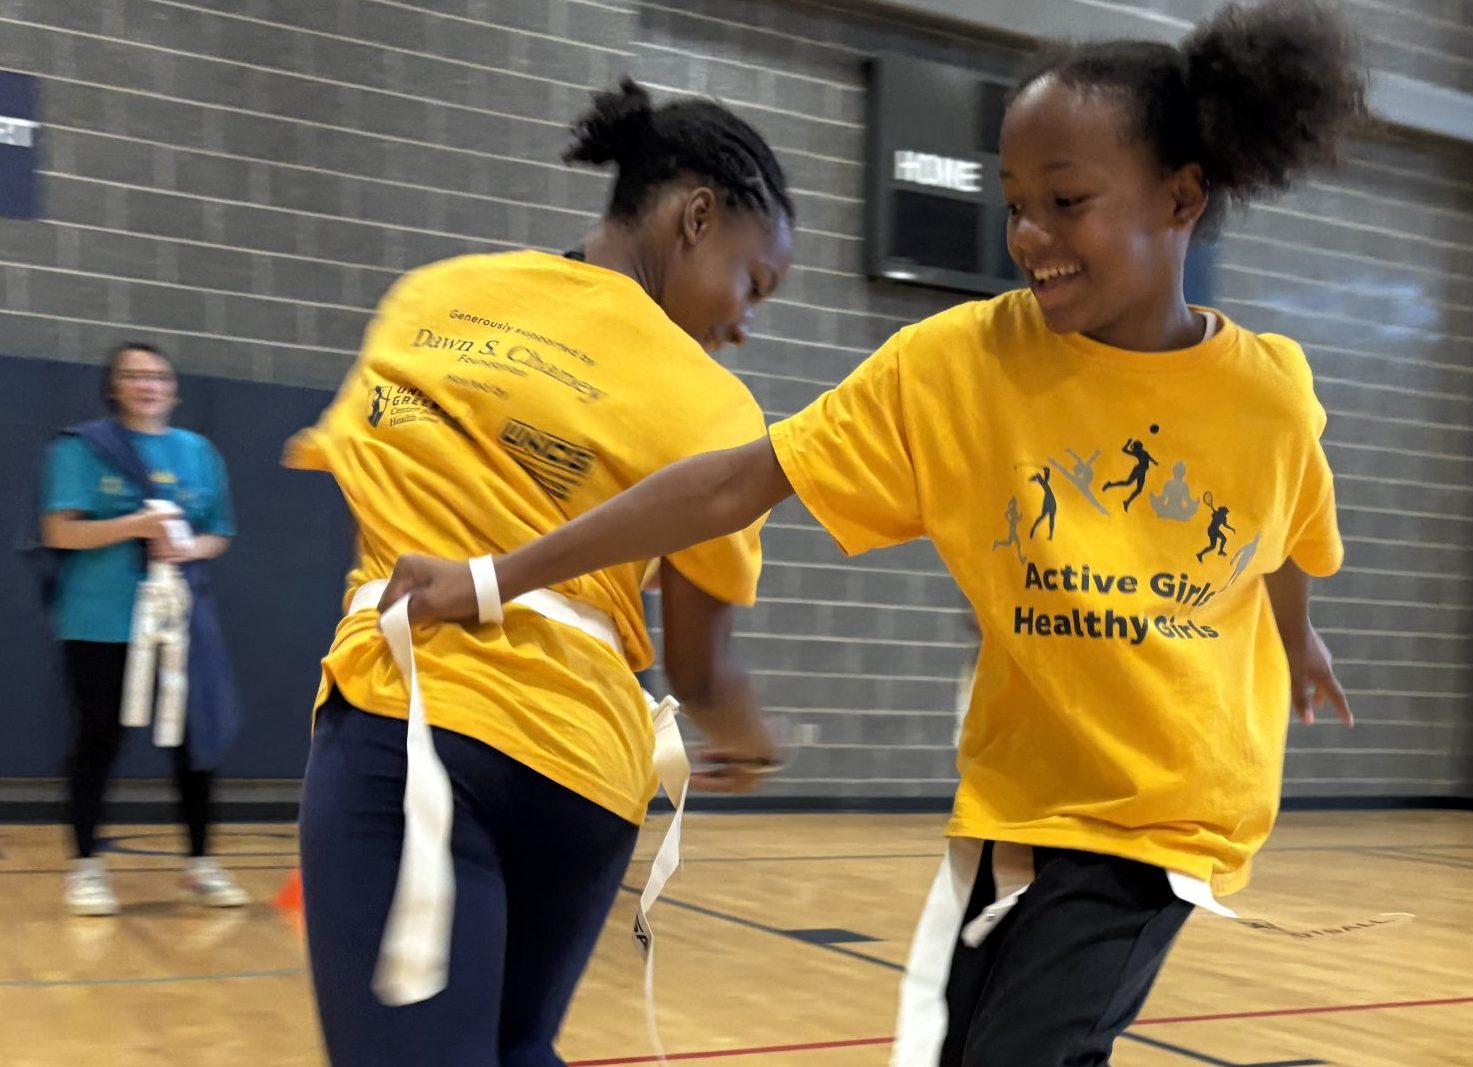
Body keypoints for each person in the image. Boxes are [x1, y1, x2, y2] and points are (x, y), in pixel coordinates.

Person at [381, 1, 1366, 1061]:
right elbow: (730, 485)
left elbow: (1284, 536)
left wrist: (1295, 633)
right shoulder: (957, 365)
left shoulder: (1268, 396)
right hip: (1018, 801)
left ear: (1180, 196)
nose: (1029, 236)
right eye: (1015, 203)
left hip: (1166, 812)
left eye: (1066, 201)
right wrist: (493, 576)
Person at [283, 79, 794, 1066]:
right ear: (695, 218)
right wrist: (751, 742)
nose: (743, 322)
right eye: (754, 283)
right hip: (583, 774)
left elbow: (376, 506)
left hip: (413, 724)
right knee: (515, 1047)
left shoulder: (429, 297)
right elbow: (700, 672)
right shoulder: (714, 405)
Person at [38, 341, 247, 916]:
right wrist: (136, 524)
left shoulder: (198, 452)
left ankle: (200, 864)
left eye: (158, 377)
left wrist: (186, 548)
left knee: (195, 739)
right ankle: (85, 868)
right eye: (133, 376)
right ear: (114, 388)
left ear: (173, 390)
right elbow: (59, 531)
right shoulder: (82, 448)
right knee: (98, 738)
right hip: (100, 619)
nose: (147, 385)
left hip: (180, 618)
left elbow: (218, 533)